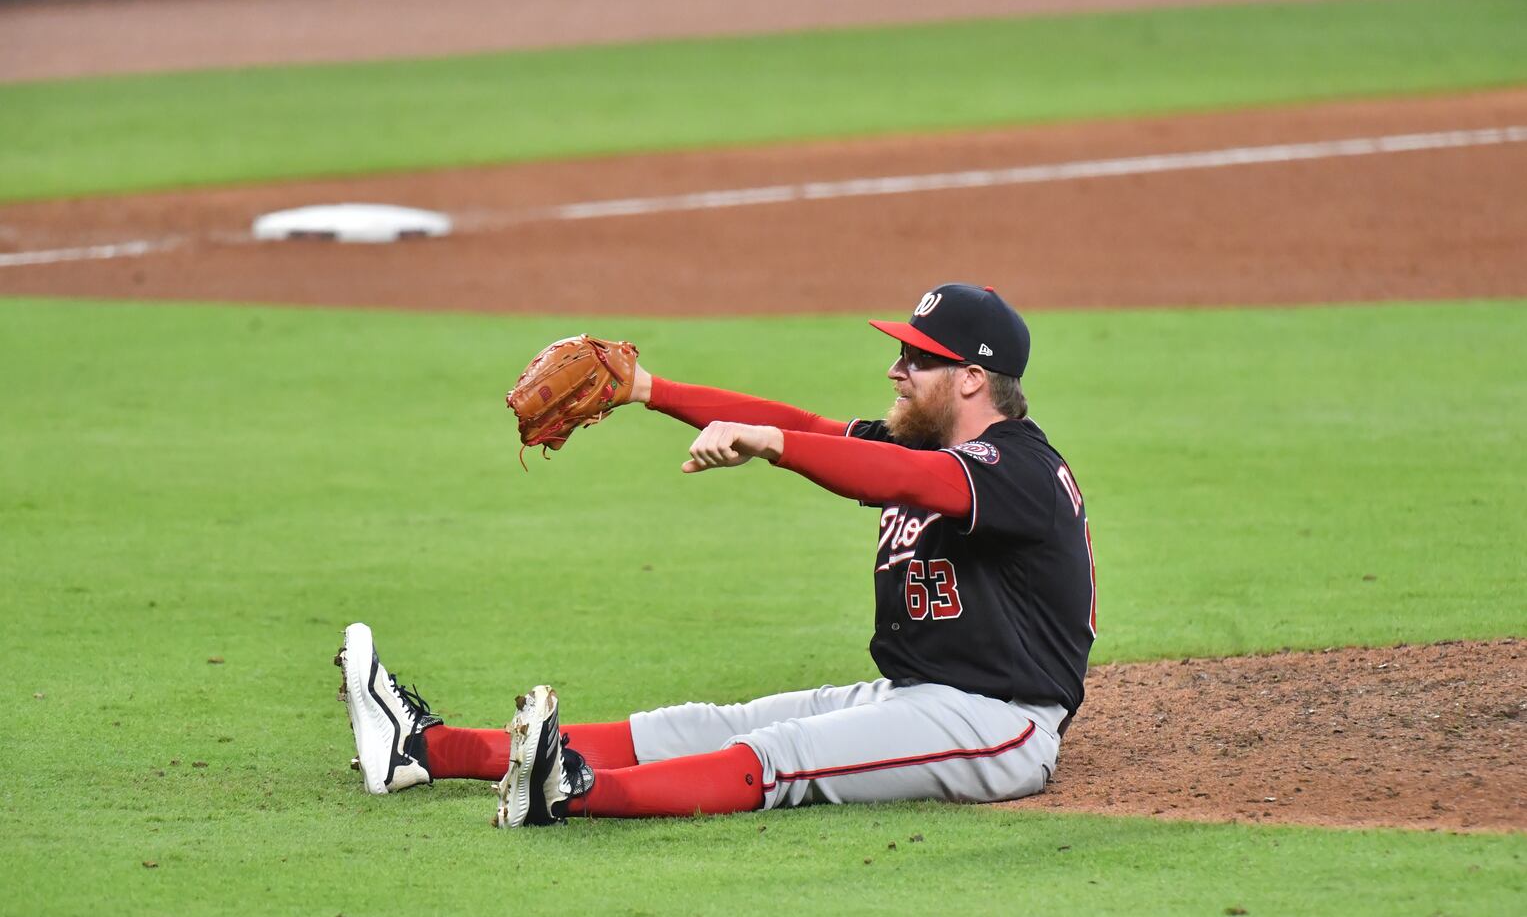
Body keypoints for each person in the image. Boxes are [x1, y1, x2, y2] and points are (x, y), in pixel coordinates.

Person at [337, 283, 1097, 828]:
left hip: (999, 724)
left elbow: (905, 477)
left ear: (971, 378)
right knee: (696, 724)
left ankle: (569, 792)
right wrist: (647, 388)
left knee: (781, 755)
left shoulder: (1017, 469)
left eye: (917, 359)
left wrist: (770, 447)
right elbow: (804, 425)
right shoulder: (926, 447)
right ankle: (427, 750)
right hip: (919, 696)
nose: (896, 369)